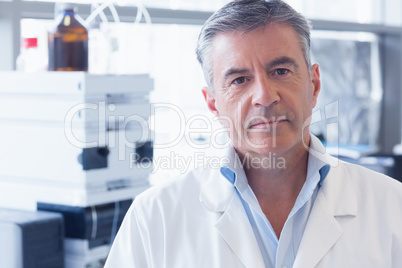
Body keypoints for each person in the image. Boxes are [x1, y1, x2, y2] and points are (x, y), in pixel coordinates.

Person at [104, 0, 402, 267]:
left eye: (281, 71)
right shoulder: (154, 217)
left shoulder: (392, 207)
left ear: (314, 84)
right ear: (213, 103)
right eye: (239, 80)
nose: (264, 96)